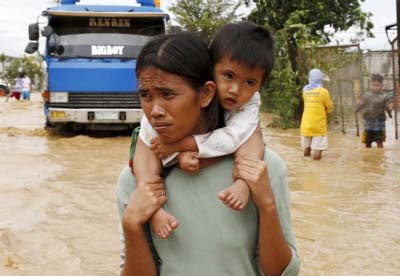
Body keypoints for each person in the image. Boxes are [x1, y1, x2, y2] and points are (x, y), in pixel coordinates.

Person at [117, 32, 300, 276]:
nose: (155, 110)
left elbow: (284, 273)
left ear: (205, 94)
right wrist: (131, 226)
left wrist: (266, 205)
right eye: (145, 96)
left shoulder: (262, 170)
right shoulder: (135, 182)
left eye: (168, 94)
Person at [132, 21, 274, 238]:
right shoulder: (167, 109)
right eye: (228, 76)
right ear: (211, 68)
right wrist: (178, 156)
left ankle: (244, 182)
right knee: (145, 144)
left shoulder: (248, 103)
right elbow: (151, 142)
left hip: (225, 142)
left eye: (250, 82)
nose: (235, 90)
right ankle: (152, 206)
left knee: (253, 133)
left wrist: (178, 145)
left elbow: (234, 137)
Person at [300, 68, 334, 160]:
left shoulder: (305, 91)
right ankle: (316, 166)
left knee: (307, 148)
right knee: (317, 149)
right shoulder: (323, 92)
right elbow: (329, 106)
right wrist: (327, 112)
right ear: (319, 79)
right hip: (318, 125)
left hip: (306, 124)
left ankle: (306, 163)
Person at [355, 73, 392, 148]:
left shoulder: (385, 97)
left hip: (380, 123)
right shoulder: (366, 95)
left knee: (380, 141)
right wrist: (356, 110)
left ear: (382, 86)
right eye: (374, 85)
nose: (375, 87)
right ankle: (368, 157)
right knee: (367, 142)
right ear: (371, 85)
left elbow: (387, 107)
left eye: (377, 85)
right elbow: (361, 104)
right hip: (368, 122)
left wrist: (390, 112)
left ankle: (380, 156)